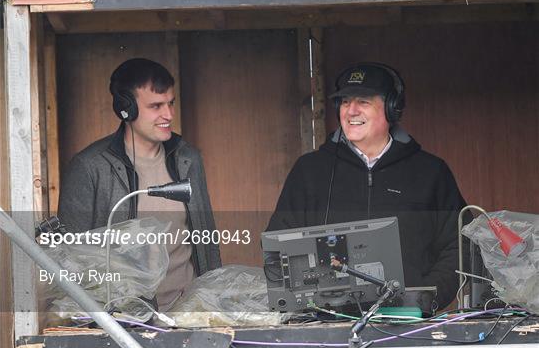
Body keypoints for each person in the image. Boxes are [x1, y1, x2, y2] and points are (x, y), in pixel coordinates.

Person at [267, 63, 467, 309]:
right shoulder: (309, 171)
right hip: (325, 324)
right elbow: (278, 247)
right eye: (344, 102)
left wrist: (425, 299)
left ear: (393, 108)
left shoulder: (431, 172)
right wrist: (309, 306)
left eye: (363, 101)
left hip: (409, 325)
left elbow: (459, 246)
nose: (351, 111)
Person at [58, 58, 221, 311]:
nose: (168, 115)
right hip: (125, 321)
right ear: (127, 108)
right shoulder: (89, 167)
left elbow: (207, 241)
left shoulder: (188, 158)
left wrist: (214, 304)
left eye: (171, 103)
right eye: (156, 106)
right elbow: (69, 260)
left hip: (191, 316)